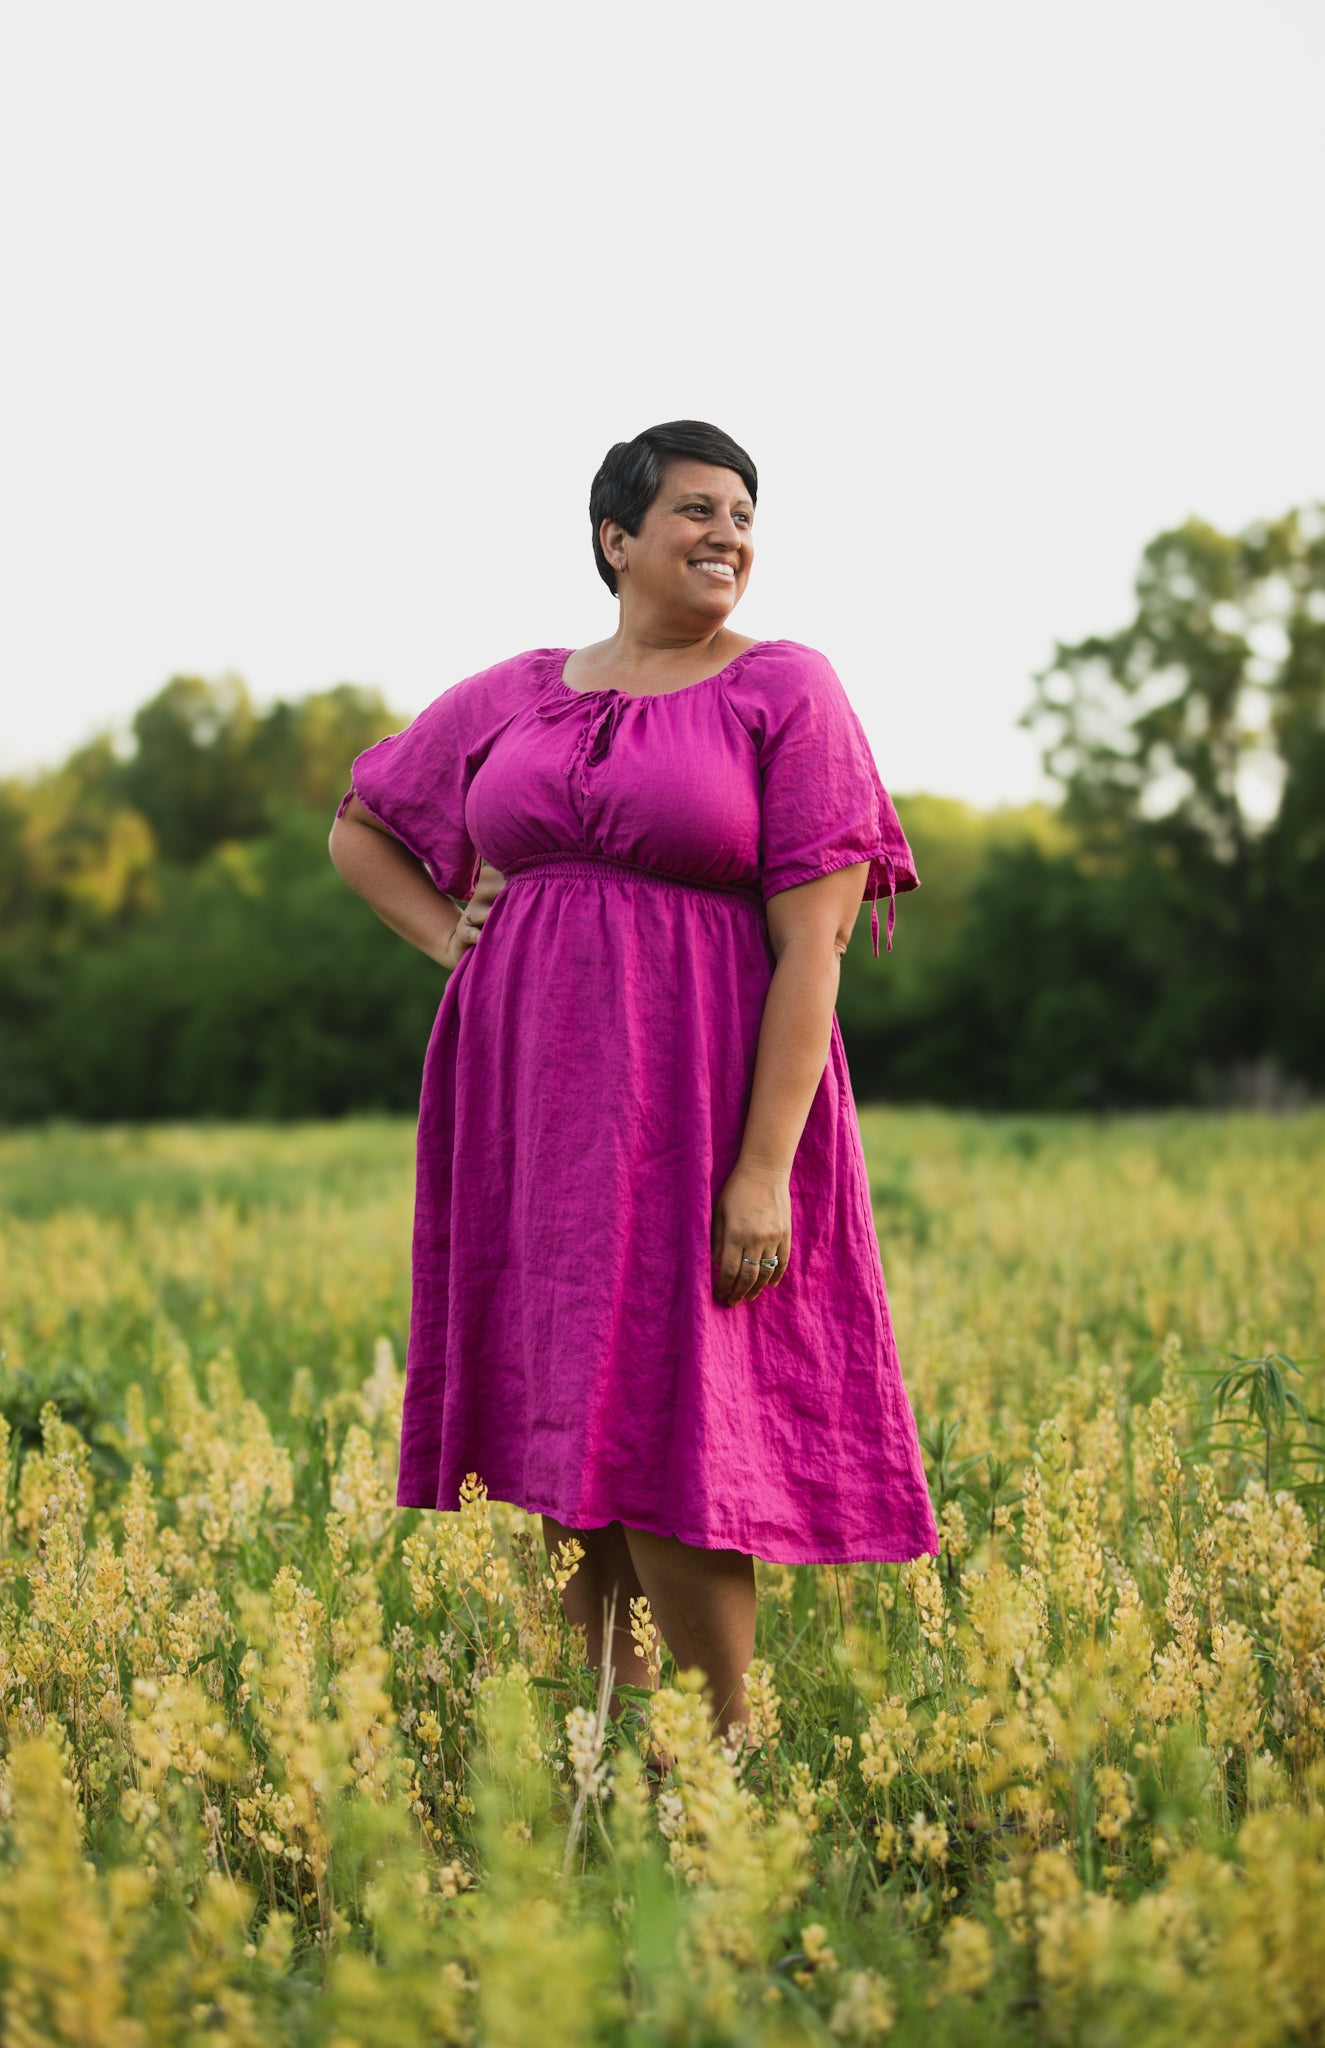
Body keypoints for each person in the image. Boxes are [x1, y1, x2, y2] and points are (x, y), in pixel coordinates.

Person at [329, 419, 939, 1753]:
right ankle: (608, 1750)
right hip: (527, 1105)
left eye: (742, 515)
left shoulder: (787, 689)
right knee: (564, 1414)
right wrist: (451, 945)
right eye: (695, 512)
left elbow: (813, 947)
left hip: (698, 1100)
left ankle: (724, 1760)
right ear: (616, 538)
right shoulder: (513, 692)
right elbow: (363, 827)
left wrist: (762, 1168)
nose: (727, 535)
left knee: (676, 1425)